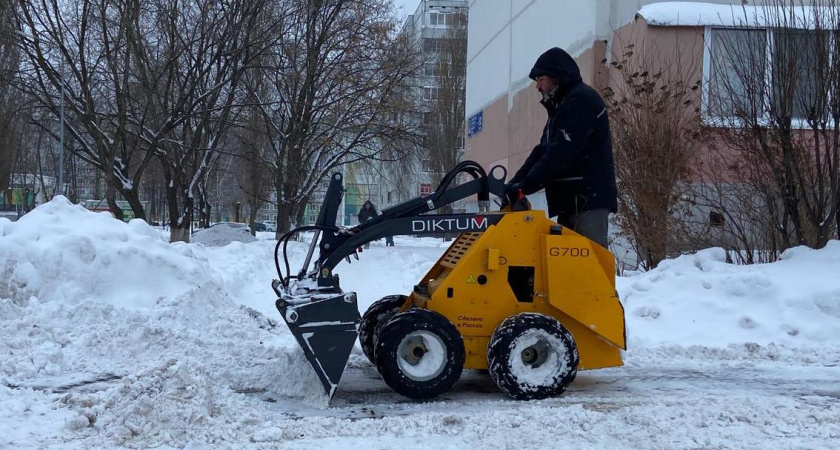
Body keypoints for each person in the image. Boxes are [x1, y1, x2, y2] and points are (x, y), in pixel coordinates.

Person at [505, 47, 617, 248]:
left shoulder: (580, 102)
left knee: (588, 266)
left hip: (586, 202)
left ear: (556, 77)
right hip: (573, 202)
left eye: (540, 79)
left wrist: (524, 186)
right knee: (570, 270)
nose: (538, 87)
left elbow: (560, 154)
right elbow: (542, 151)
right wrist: (515, 184)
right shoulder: (562, 107)